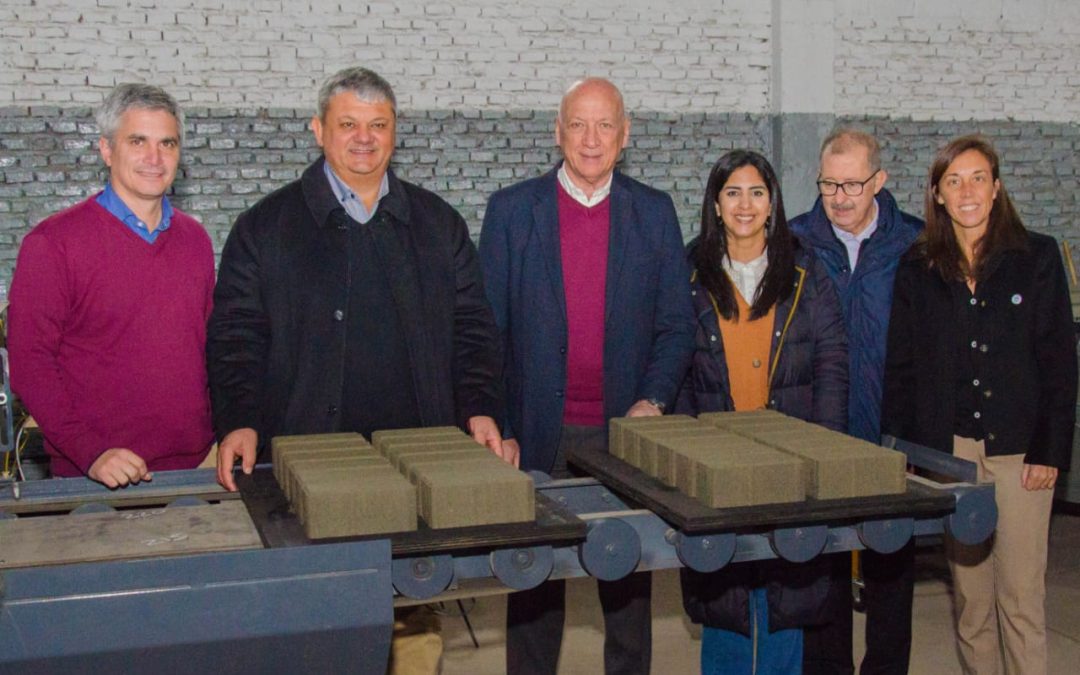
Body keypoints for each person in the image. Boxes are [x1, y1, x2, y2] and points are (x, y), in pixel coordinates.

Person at [206, 66, 505, 674]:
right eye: (348, 125)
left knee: (414, 623)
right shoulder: (265, 228)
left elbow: (474, 329)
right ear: (319, 130)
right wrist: (238, 420)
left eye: (378, 125)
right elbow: (235, 336)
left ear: (396, 134)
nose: (363, 138)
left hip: (415, 465)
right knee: (317, 625)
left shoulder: (437, 224)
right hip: (310, 462)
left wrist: (478, 407)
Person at [479, 77, 696, 675]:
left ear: (625, 136)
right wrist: (497, 423)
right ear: (558, 132)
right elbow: (485, 335)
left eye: (605, 125)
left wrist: (653, 399)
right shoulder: (511, 212)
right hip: (534, 435)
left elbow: (677, 327)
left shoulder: (653, 214)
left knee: (627, 592)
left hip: (622, 438)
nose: (591, 138)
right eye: (578, 124)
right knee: (533, 594)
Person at [882, 135, 1076, 675]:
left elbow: (1060, 364)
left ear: (996, 187)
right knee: (971, 602)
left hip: (1022, 455)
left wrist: (1051, 450)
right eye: (953, 181)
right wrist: (907, 452)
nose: (966, 191)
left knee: (1020, 600)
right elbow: (901, 368)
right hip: (951, 457)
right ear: (937, 195)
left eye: (977, 178)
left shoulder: (1035, 258)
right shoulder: (917, 268)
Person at [676, 149, 848, 675]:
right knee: (724, 597)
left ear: (772, 202)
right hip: (717, 464)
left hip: (788, 462)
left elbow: (832, 362)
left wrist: (824, 454)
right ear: (716, 204)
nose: (744, 204)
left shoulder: (806, 268)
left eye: (756, 192)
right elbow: (674, 363)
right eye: (732, 192)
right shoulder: (688, 270)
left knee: (784, 596)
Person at [8, 83, 214, 488]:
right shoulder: (52, 244)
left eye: (167, 144)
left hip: (196, 466)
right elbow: (30, 365)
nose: (154, 158)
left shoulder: (196, 240)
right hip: (97, 474)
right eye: (138, 141)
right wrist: (90, 452)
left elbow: (208, 347)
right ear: (106, 149)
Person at [790, 128, 923, 675]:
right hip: (818, 434)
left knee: (891, 567)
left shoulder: (915, 244)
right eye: (828, 184)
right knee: (821, 575)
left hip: (892, 434)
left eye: (852, 184)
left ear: (880, 181)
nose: (840, 197)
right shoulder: (795, 242)